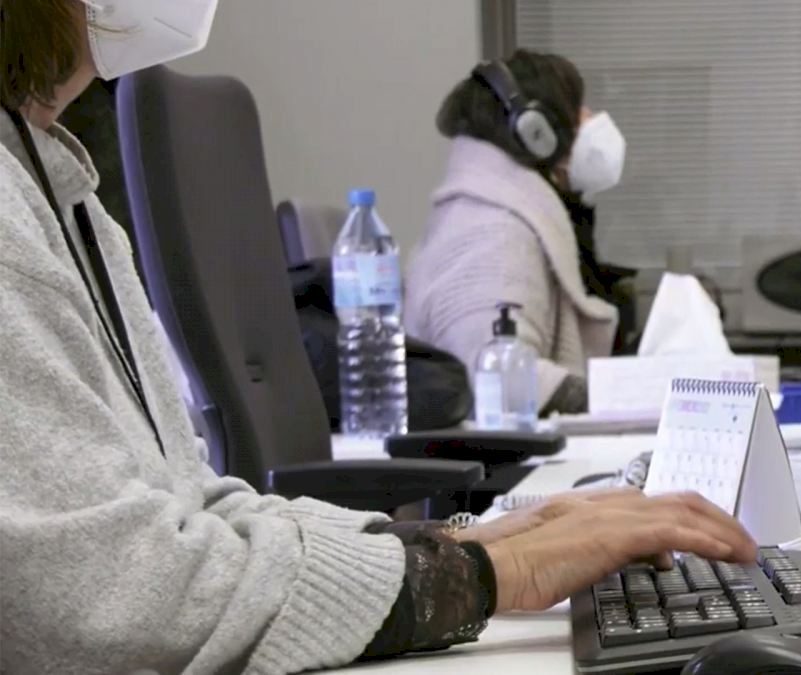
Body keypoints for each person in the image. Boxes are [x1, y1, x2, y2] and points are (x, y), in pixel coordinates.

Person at [0, 3, 757, 674]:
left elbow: (189, 508)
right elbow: (114, 594)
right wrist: (483, 573)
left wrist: (456, 547)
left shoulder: (64, 197)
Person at [406, 50, 629, 415]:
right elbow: (496, 376)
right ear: (536, 133)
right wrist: (623, 398)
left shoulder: (500, 213)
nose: (590, 119)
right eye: (577, 109)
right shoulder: (490, 232)